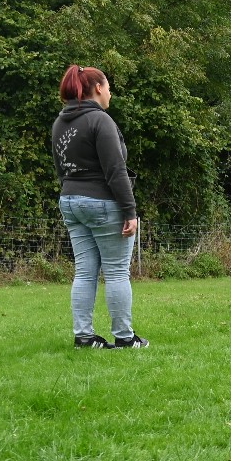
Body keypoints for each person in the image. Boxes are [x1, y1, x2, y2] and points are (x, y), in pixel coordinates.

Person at [51, 64, 147, 348]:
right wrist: (130, 211)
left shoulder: (60, 122)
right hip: (103, 202)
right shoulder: (100, 120)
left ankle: (84, 337)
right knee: (117, 272)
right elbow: (116, 170)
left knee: (84, 272)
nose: (110, 93)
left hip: (70, 201)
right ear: (97, 88)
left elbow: (60, 168)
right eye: (108, 87)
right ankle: (125, 338)